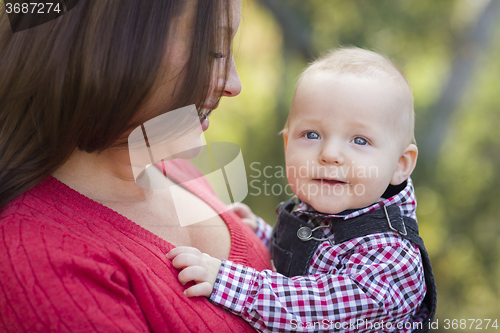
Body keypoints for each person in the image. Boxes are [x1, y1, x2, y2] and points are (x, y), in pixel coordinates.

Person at [0, 0, 273, 332]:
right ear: (110, 42)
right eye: (214, 51)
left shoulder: (169, 165)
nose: (234, 84)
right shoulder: (40, 266)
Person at [168, 47, 436, 332]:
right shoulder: (321, 213)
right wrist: (260, 233)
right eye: (311, 134)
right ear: (287, 146)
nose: (330, 154)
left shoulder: (391, 256)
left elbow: (316, 307)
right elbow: (310, 259)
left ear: (400, 164)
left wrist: (226, 281)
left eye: (359, 140)